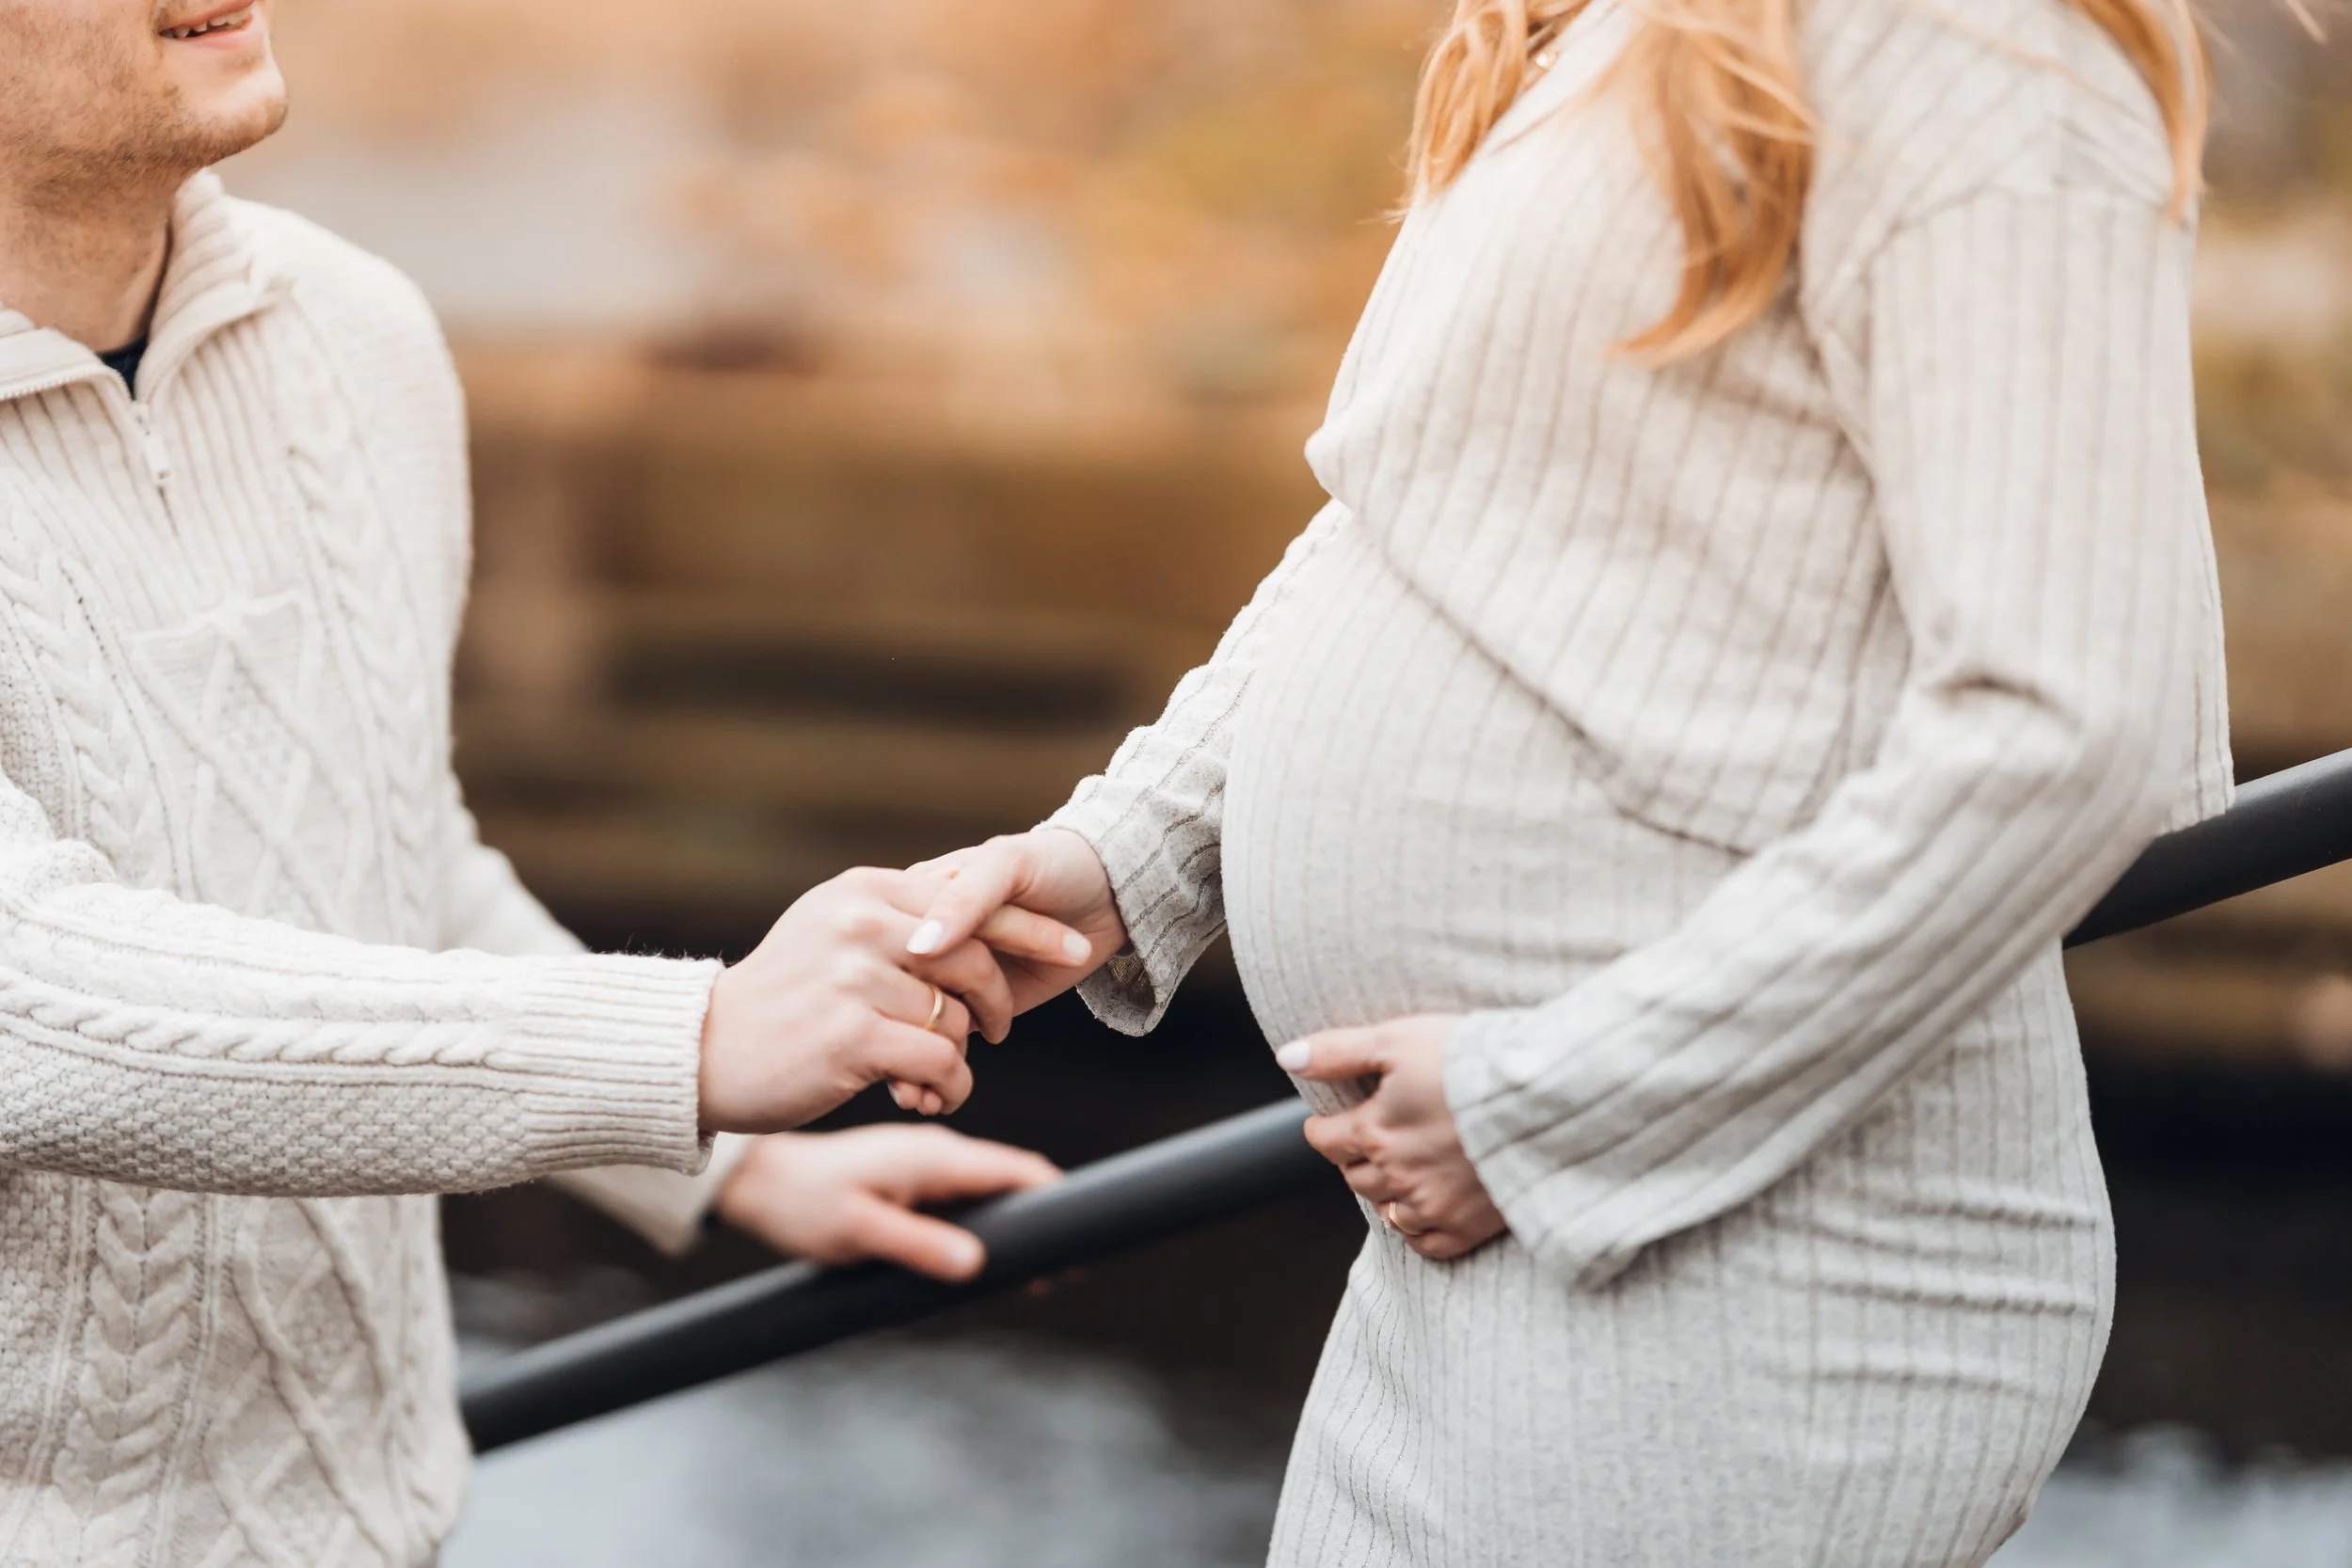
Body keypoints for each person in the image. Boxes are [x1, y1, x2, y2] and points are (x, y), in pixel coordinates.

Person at [905, 0, 2234, 1560]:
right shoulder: (1603, 26)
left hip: (1742, 1264)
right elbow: (1422, 508)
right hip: (1496, 1233)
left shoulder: (1970, 46)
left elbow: (2067, 725)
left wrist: (1556, 1104)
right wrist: (1129, 848)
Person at [0, 4, 1080, 1563]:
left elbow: (391, 854)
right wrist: (692, 1040)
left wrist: (733, 1160)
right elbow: (31, 992)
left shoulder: (355, 333)